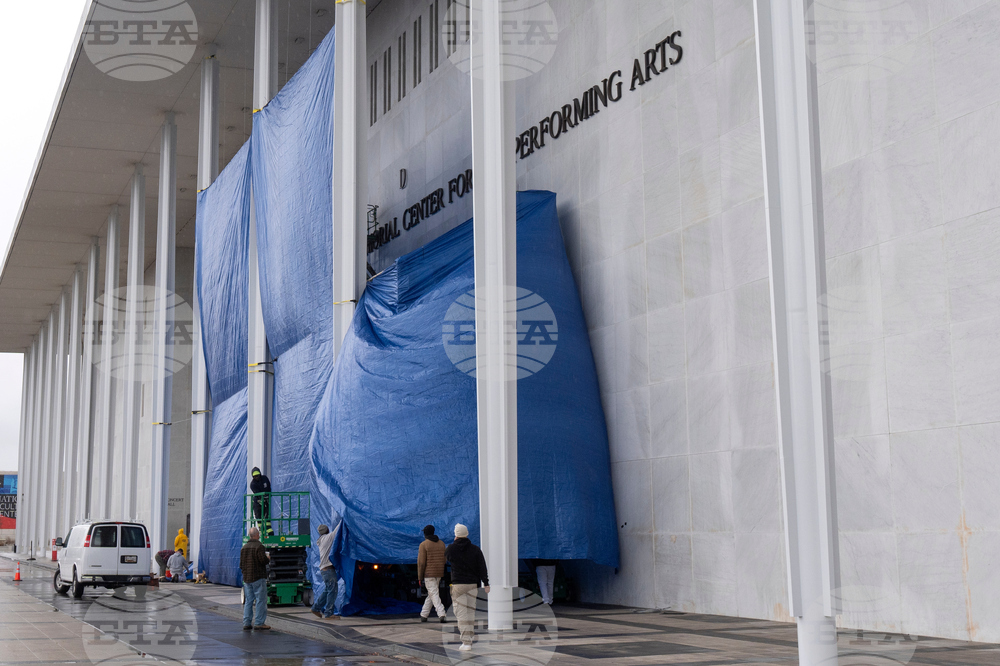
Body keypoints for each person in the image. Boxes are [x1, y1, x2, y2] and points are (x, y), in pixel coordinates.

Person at [444, 524, 489, 651]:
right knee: (470, 612)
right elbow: (482, 567)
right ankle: (469, 637)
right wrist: (486, 583)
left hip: (458, 585)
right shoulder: (475, 549)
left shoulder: (451, 549)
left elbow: (447, 558)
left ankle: (466, 641)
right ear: (467, 533)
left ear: (456, 534)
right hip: (472, 585)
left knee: (461, 613)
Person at [240, 526, 271, 631]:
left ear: (250, 536)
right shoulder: (259, 546)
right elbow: (263, 561)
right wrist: (268, 558)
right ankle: (259, 623)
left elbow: (241, 565)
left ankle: (246, 622)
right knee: (260, 600)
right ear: (257, 535)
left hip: (247, 579)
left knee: (249, 601)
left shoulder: (244, 548)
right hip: (258, 577)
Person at [417, 525, 447, 623]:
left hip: (428, 574)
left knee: (433, 594)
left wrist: (420, 577)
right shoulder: (442, 544)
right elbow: (444, 559)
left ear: (425, 533)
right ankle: (424, 614)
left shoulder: (423, 544)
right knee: (432, 594)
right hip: (439, 572)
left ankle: (442, 613)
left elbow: (421, 563)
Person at [310, 524, 340, 619]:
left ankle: (315, 608)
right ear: (327, 530)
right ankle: (329, 613)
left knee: (328, 590)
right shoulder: (328, 538)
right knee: (333, 590)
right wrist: (343, 516)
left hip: (324, 570)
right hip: (328, 569)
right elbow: (337, 530)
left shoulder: (321, 540)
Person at [250, 467, 274, 537]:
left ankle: (269, 531)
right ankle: (262, 533)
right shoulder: (253, 484)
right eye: (254, 476)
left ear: (260, 474)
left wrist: (268, 495)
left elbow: (269, 487)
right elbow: (257, 493)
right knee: (259, 517)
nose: (256, 477)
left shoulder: (265, 479)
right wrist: (262, 499)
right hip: (257, 503)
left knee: (267, 516)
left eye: (257, 475)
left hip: (266, 501)